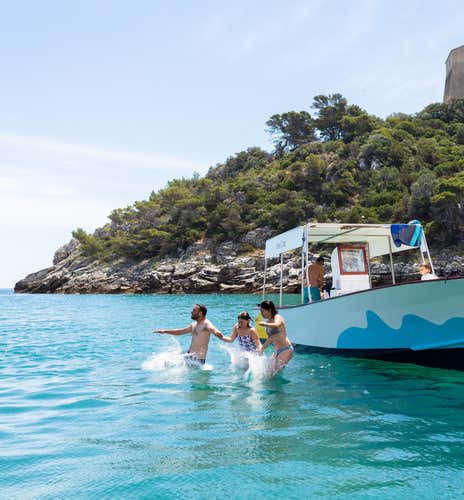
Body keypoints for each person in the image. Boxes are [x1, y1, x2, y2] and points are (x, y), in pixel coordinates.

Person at [153, 303, 222, 365]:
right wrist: (165, 331)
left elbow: (212, 328)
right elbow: (180, 331)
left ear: (200, 313)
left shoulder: (206, 324)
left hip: (198, 360)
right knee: (167, 361)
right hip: (189, 356)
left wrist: (216, 332)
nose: (191, 312)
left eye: (194, 310)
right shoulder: (194, 324)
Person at [258, 300, 293, 376]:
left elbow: (277, 324)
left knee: (272, 375)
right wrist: (261, 349)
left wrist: (265, 324)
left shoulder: (278, 317)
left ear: (269, 310)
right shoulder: (268, 321)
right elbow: (271, 338)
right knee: (267, 374)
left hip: (286, 350)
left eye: (262, 311)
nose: (261, 313)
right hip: (276, 351)